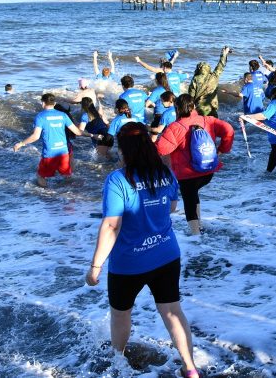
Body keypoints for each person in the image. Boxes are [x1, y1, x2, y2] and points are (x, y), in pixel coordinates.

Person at [84, 122, 200, 378]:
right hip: (166, 254)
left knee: (121, 314)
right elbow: (171, 208)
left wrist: (95, 267)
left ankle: (118, 361)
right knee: (172, 311)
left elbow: (112, 225)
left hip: (129, 262)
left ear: (123, 148)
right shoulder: (166, 172)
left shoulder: (118, 179)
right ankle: (190, 367)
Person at [156, 94, 234, 234]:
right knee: (194, 195)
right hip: (208, 172)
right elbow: (229, 129)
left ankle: (196, 237)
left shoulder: (175, 127)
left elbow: (161, 149)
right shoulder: (208, 120)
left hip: (187, 175)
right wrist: (222, 150)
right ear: (193, 106)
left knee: (189, 202)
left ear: (177, 109)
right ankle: (200, 226)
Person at [13, 93, 83, 187]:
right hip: (63, 151)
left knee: (40, 176)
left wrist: (21, 144)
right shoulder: (63, 115)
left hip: (50, 153)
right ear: (54, 103)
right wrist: (92, 134)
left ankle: (47, 195)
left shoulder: (41, 117)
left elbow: (35, 136)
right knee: (67, 175)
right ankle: (70, 192)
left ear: (43, 103)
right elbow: (78, 132)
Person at [189, 47, 230, 117]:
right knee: (214, 126)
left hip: (200, 108)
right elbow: (221, 65)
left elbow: (191, 95)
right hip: (212, 107)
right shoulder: (214, 76)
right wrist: (224, 54)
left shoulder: (195, 78)